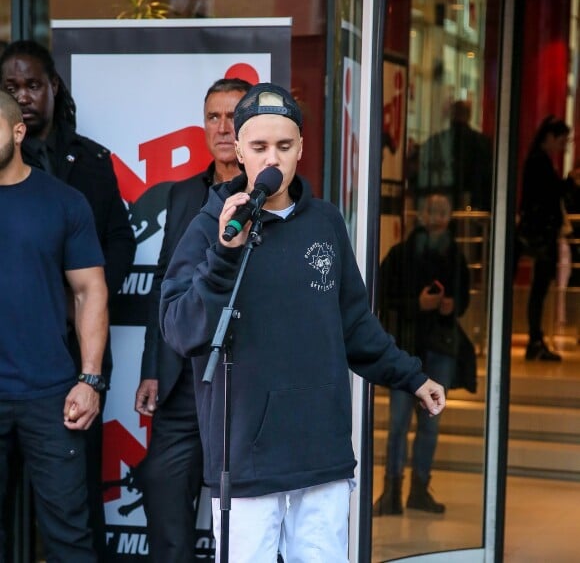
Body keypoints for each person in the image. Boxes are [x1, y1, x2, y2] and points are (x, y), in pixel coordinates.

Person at [159, 82, 446, 562]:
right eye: (259, 147)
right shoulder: (212, 225)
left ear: (301, 149)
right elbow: (181, 329)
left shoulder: (326, 222)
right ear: (241, 152)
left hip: (321, 452)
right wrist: (226, 255)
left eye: (284, 146)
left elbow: (353, 322)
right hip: (245, 458)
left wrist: (411, 376)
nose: (273, 158)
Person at [0, 40, 136, 560]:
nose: (25, 95)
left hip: (56, 384)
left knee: (70, 530)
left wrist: (90, 376)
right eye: (12, 88)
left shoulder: (79, 177)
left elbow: (95, 281)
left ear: (52, 86)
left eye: (32, 84)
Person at [134, 77, 252, 562]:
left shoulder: (273, 194)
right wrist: (151, 366)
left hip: (243, 383)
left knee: (249, 527)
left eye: (233, 116)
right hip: (182, 382)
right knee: (165, 508)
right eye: (213, 117)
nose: (223, 128)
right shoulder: (183, 194)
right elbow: (167, 285)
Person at [373, 194, 476, 516]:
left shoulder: (455, 256)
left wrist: (450, 306)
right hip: (407, 350)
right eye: (431, 212)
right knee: (398, 424)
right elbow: (381, 298)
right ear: (420, 215)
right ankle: (392, 490)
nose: (437, 219)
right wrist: (416, 304)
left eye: (443, 213)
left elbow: (463, 297)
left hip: (440, 348)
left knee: (430, 424)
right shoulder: (402, 254)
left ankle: (419, 488)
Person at [514, 116, 580, 361]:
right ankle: (535, 339)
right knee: (539, 290)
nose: (563, 146)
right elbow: (548, 196)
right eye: (562, 141)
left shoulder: (537, 162)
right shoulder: (539, 163)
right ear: (550, 138)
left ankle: (537, 338)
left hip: (539, 234)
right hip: (541, 236)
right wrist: (569, 183)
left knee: (539, 290)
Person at [416, 100, 493, 211]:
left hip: (441, 206)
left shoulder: (436, 142)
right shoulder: (482, 143)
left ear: (452, 115)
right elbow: (487, 179)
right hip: (475, 206)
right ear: (469, 116)